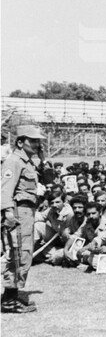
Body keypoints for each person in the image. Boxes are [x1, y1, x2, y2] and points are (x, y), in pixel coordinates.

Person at [2, 125, 46, 313]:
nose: (36, 144)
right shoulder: (14, 161)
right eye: (32, 140)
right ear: (20, 142)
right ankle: (9, 299)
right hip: (18, 212)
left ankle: (12, 294)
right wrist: (8, 213)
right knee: (19, 252)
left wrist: (41, 158)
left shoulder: (28, 162)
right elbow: (5, 189)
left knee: (24, 252)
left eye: (38, 141)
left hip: (27, 211)